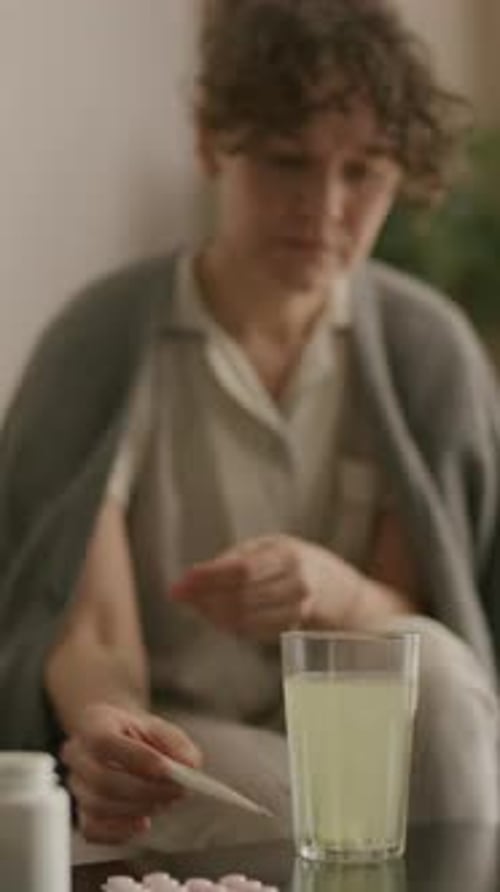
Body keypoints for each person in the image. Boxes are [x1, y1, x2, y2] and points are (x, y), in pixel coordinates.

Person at [0, 0, 499, 851]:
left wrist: (334, 592)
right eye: (285, 162)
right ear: (210, 142)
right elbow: (91, 630)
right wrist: (112, 727)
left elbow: (427, 609)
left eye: (363, 172)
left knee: (444, 678)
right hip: (189, 725)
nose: (323, 207)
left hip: (371, 720)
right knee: (274, 799)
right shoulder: (103, 341)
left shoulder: (425, 350)